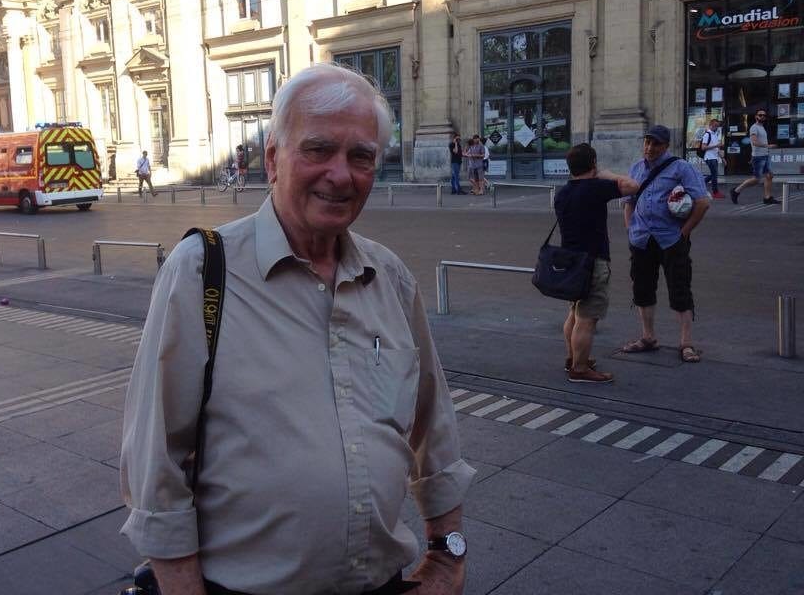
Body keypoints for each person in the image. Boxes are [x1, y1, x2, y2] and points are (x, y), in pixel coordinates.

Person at [120, 63, 474, 595]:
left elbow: (435, 427)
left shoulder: (390, 278)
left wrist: (448, 556)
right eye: (318, 149)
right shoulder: (202, 272)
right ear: (272, 159)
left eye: (361, 157)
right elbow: (154, 462)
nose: (341, 174)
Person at [622, 125, 710, 363]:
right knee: (642, 289)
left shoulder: (681, 168)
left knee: (680, 288)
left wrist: (684, 232)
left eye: (656, 144)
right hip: (641, 240)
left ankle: (686, 343)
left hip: (671, 239)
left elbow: (702, 202)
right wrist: (630, 228)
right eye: (647, 142)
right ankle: (648, 337)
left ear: (666, 146)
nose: (650, 148)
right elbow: (629, 201)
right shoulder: (636, 168)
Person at [556, 144, 639, 383]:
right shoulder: (595, 188)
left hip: (572, 262)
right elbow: (633, 185)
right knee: (587, 318)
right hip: (593, 260)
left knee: (574, 312)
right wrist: (606, 173)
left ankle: (573, 359)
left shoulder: (563, 193)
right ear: (593, 162)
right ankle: (580, 369)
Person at [731, 108, 779, 205]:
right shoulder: (754, 128)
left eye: (764, 115)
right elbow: (754, 142)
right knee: (757, 179)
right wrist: (768, 146)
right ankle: (736, 191)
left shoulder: (762, 127)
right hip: (759, 157)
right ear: (756, 116)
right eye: (760, 115)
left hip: (764, 155)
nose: (762, 117)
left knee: (769, 176)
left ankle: (767, 198)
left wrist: (766, 150)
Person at [699, 118, 724, 199]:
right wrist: (716, 146)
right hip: (709, 158)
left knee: (714, 174)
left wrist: (723, 158)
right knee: (714, 175)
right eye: (714, 126)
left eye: (717, 126)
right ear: (710, 126)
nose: (716, 127)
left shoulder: (714, 135)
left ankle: (700, 183)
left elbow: (717, 149)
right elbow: (703, 147)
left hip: (714, 157)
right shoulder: (707, 134)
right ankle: (715, 192)